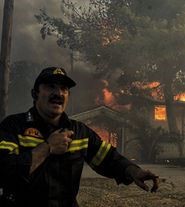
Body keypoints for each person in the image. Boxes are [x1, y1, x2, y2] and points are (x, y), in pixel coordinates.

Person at [0, 67, 159, 207]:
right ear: (35, 94)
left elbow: (108, 158)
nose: (58, 93)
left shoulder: (80, 132)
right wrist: (47, 148)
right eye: (50, 87)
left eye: (64, 89)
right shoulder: (13, 126)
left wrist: (134, 171)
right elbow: (4, 170)